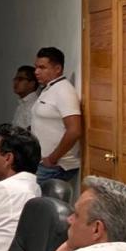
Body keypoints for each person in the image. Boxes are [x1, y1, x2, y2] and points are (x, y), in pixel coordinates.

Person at [31, 47, 82, 182]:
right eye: (36, 67)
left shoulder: (64, 91)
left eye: (42, 67)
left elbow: (74, 130)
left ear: (58, 69)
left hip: (56, 165)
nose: (36, 72)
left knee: (29, 195)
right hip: (43, 162)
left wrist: (52, 158)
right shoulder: (49, 89)